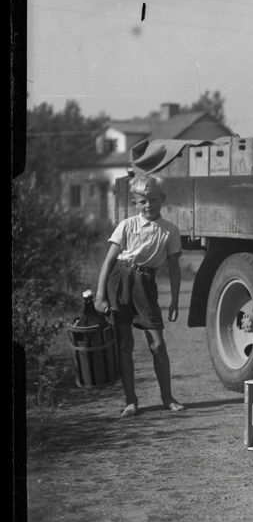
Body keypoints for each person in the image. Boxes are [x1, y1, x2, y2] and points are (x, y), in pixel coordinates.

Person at [95, 173, 184, 417]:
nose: (148, 205)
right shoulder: (127, 225)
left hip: (145, 285)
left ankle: (167, 397)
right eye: (142, 201)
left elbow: (174, 268)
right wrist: (100, 295)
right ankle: (131, 400)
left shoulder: (170, 230)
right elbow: (109, 261)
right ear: (135, 203)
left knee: (158, 344)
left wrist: (175, 300)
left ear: (162, 198)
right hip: (120, 281)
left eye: (153, 200)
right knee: (125, 344)